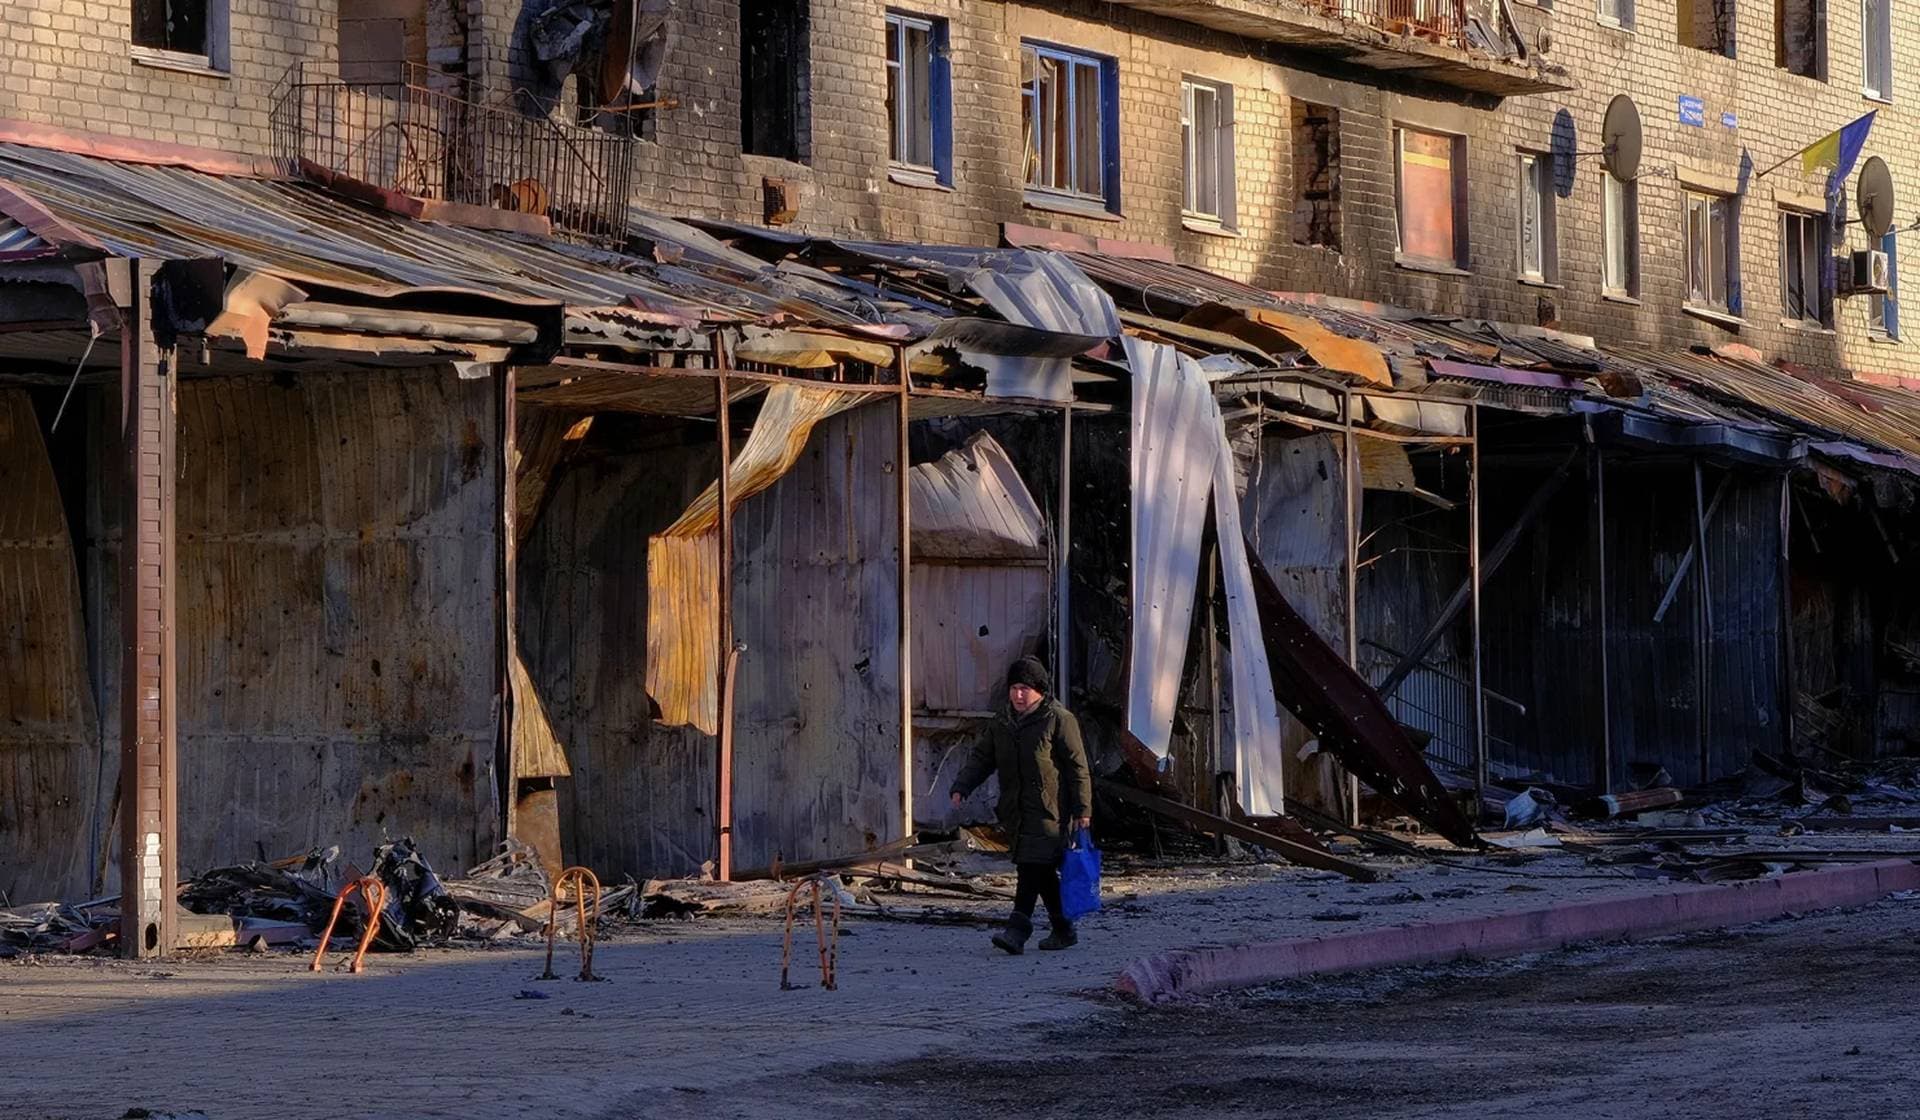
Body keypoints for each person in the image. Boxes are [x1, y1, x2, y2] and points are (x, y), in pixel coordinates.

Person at [948, 655, 1092, 954]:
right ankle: (1063, 928)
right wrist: (963, 785)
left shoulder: (1058, 720)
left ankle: (1017, 928)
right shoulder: (1002, 722)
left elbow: (1078, 768)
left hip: (1051, 811)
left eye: (1025, 688)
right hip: (1015, 810)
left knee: (1031, 867)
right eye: (1014, 688)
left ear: (1039, 690)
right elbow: (983, 758)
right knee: (1041, 871)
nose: (1018, 694)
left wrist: (1083, 810)